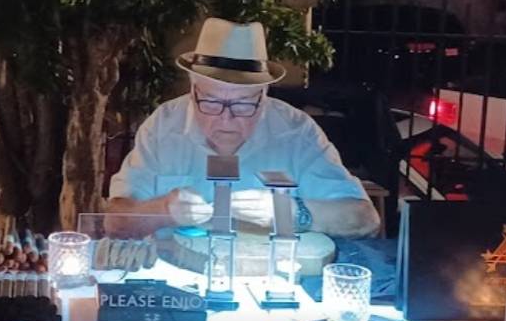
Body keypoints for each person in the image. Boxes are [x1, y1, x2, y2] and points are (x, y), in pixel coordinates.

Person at [107, 17, 380, 238]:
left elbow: (365, 218)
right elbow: (115, 222)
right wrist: (163, 210)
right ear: (193, 90)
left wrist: (292, 212)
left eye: (242, 105)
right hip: (176, 287)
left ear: (264, 96)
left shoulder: (296, 131)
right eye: (211, 103)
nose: (226, 120)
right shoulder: (163, 126)